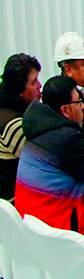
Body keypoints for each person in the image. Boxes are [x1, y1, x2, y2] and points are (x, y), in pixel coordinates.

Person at [14, 75, 84, 239]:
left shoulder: (37, 127)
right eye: (78, 103)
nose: (82, 108)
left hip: (32, 226)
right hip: (61, 232)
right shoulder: (66, 138)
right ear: (65, 110)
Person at [1, 54, 41, 201]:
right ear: (19, 90)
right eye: (34, 82)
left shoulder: (14, 111)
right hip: (14, 203)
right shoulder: (12, 124)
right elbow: (43, 162)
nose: (40, 86)